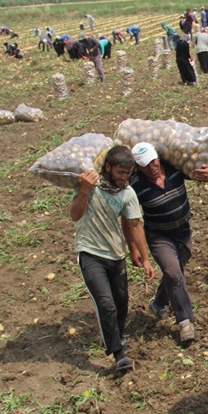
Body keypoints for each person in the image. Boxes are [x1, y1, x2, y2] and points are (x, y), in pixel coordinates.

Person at [71, 146, 154, 371]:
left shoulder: (127, 193)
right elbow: (74, 215)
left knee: (121, 302)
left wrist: (145, 259)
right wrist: (84, 191)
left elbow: (136, 225)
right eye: (119, 172)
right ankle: (117, 353)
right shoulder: (89, 186)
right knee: (106, 304)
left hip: (116, 254)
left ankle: (114, 335)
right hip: (90, 253)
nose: (123, 178)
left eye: (127, 173)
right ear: (107, 167)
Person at [128, 143, 208, 344]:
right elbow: (129, 218)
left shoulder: (174, 168)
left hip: (182, 231)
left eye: (153, 161)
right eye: (145, 165)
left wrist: (207, 174)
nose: (152, 167)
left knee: (176, 269)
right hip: (159, 236)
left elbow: (201, 176)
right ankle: (185, 322)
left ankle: (158, 303)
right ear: (138, 167)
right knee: (175, 273)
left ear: (158, 157)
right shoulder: (136, 185)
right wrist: (134, 248)